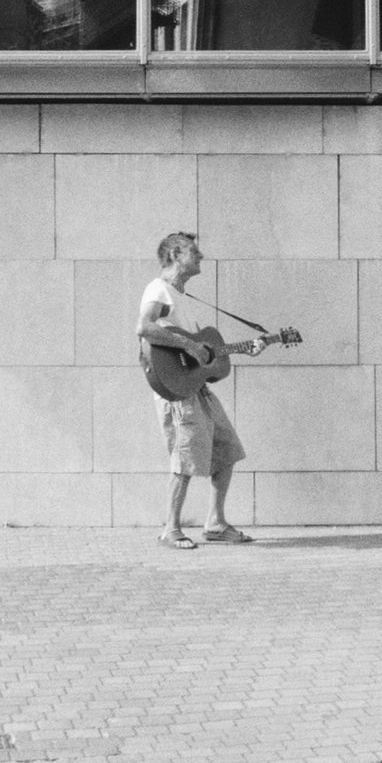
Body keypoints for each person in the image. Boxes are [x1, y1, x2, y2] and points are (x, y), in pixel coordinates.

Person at [138, 232, 258, 549]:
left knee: (227, 449)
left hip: (196, 388)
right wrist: (191, 345)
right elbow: (145, 328)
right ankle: (171, 528)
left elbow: (204, 358)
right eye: (194, 251)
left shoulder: (182, 297)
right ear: (176, 255)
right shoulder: (159, 289)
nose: (201, 255)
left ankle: (216, 523)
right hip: (177, 392)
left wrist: (246, 347)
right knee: (186, 456)